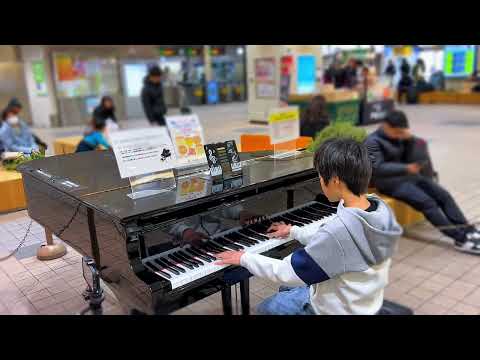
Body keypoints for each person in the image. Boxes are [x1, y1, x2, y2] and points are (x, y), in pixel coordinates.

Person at [215, 138, 402, 315]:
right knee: (288, 290)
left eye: (320, 176)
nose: (320, 182)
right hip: (364, 298)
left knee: (266, 307)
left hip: (337, 308)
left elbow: (289, 272)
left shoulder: (338, 232)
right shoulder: (379, 209)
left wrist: (244, 258)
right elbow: (338, 245)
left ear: (335, 180)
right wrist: (294, 231)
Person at [365, 110, 480, 255]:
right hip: (389, 183)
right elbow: (377, 168)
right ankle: (461, 239)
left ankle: (467, 229)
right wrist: (405, 167)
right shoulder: (372, 141)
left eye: (402, 131)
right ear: (385, 126)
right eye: (396, 131)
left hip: (410, 177)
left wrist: (411, 140)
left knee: (444, 195)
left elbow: (416, 156)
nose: (399, 134)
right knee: (428, 203)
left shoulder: (401, 137)